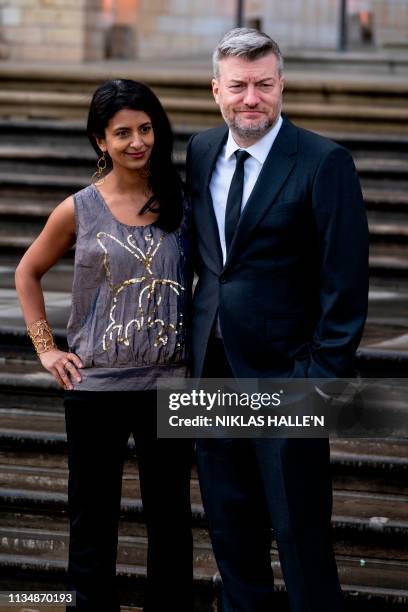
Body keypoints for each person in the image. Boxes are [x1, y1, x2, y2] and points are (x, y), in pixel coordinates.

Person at [186, 28, 369, 612]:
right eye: (238, 86)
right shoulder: (200, 150)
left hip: (288, 376)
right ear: (217, 90)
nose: (251, 99)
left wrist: (318, 377)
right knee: (230, 528)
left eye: (264, 85)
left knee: (300, 534)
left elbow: (345, 283)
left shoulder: (324, 161)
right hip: (211, 373)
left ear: (281, 85)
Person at [15, 79, 194, 612]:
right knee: (92, 518)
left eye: (145, 129)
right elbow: (27, 273)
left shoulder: (182, 203)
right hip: (95, 389)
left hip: (170, 387)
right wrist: (47, 348)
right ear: (100, 141)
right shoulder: (79, 209)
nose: (137, 141)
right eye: (122, 133)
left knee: (172, 520)